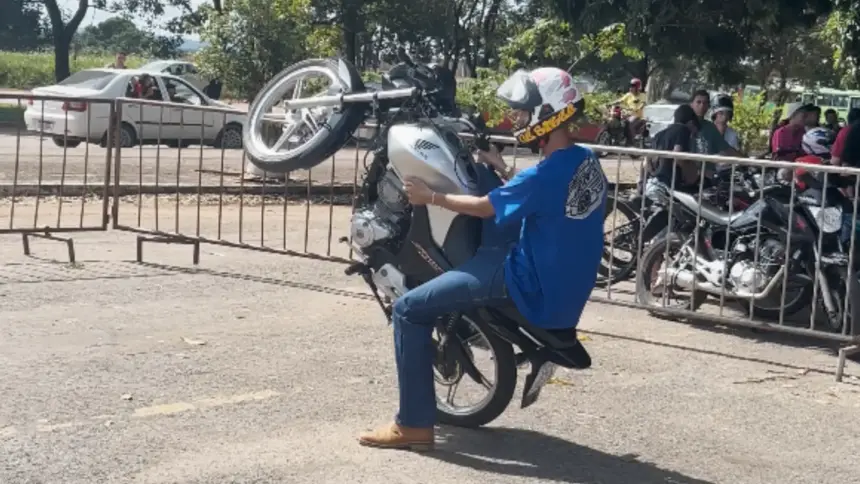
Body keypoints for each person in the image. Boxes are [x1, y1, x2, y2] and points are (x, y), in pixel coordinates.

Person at [358, 67, 608, 450]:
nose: (518, 119)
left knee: (409, 309)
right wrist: (500, 168)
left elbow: (482, 207)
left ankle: (413, 425)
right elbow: (541, 198)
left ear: (548, 112)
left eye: (524, 112)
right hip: (564, 284)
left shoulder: (542, 175)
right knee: (487, 187)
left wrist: (430, 197)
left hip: (526, 280)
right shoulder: (586, 161)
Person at [610, 78, 647, 145]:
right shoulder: (628, 95)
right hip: (627, 114)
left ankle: (633, 140)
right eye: (630, 86)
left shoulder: (642, 95)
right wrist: (611, 103)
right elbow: (620, 100)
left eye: (633, 86)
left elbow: (643, 104)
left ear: (637, 87)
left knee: (630, 122)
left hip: (637, 116)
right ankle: (619, 137)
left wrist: (638, 108)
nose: (631, 88)